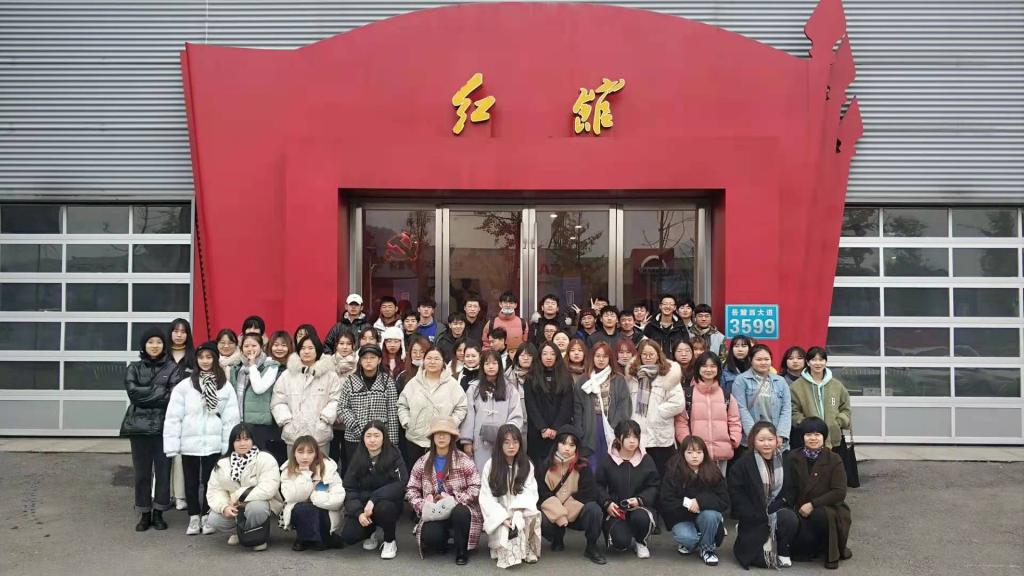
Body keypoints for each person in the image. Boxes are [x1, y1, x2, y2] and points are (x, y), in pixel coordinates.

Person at [163, 340, 240, 536]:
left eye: (209, 357)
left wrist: (227, 446)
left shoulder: (225, 386)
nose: (205, 361)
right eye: (201, 357)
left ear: (215, 359)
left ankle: (206, 515)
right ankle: (193, 516)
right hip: (189, 443)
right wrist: (172, 445)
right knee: (190, 482)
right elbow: (173, 417)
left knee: (210, 482)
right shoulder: (185, 386)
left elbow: (231, 419)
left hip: (213, 444)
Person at [405, 416, 483, 565]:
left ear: (452, 437)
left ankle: (461, 550)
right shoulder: (422, 461)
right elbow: (411, 489)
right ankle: (443, 538)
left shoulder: (464, 460)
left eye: (445, 433)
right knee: (431, 537)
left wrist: (454, 500)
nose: (441, 437)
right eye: (437, 433)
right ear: (432, 437)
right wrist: (423, 505)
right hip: (435, 511)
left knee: (461, 513)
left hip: (459, 507)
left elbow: (476, 486)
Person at [121, 327, 176, 531]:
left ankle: (159, 512)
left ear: (164, 345)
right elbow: (133, 394)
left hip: (164, 427)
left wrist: (148, 393)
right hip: (139, 428)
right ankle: (144, 513)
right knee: (141, 473)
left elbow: (173, 396)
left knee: (163, 473)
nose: (155, 346)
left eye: (159, 342)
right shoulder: (133, 368)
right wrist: (160, 391)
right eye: (150, 342)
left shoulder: (172, 368)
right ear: (144, 345)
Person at [728, 422, 798, 569]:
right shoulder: (743, 464)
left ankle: (783, 549)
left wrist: (778, 504)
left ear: (777, 440)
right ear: (753, 440)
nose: (766, 444)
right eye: (761, 440)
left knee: (789, 518)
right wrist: (755, 512)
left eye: (770, 439)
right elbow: (736, 493)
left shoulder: (785, 460)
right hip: (753, 515)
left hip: (777, 509)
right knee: (762, 561)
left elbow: (791, 489)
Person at [786, 417, 852, 569]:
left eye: (817, 434)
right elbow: (788, 486)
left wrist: (812, 504)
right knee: (800, 552)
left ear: (824, 437)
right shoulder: (792, 457)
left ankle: (831, 553)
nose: (813, 438)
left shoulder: (834, 459)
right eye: (808, 434)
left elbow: (839, 492)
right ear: (802, 437)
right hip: (799, 507)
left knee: (821, 514)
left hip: (830, 507)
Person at [205, 423, 282, 551]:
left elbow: (268, 488)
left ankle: (257, 537)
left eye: (246, 439)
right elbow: (215, 491)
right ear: (232, 443)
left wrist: (238, 496)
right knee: (214, 519)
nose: (242, 443)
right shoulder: (222, 463)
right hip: (234, 505)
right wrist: (224, 507)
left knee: (256, 508)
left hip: (260, 503)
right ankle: (240, 533)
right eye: (238, 440)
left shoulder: (265, 458)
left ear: (253, 440)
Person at [536, 425, 606, 565]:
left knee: (594, 510)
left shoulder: (583, 466)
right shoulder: (545, 466)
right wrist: (559, 513)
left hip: (576, 513)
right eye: (563, 443)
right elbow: (542, 494)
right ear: (556, 444)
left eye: (571, 445)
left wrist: (565, 510)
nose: (567, 448)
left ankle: (591, 546)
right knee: (538, 517)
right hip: (553, 513)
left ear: (576, 448)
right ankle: (557, 538)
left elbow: (589, 493)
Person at [341, 420, 407, 558]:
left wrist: (374, 498)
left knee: (385, 508)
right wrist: (358, 512)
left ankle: (390, 541)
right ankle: (370, 532)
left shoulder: (394, 454)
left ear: (384, 437)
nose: (372, 440)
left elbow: (401, 483)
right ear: (363, 438)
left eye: (377, 436)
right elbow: (349, 488)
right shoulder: (358, 456)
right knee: (349, 536)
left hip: (387, 503)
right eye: (368, 436)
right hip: (363, 505)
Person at [595, 420, 660, 559]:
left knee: (641, 518)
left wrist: (640, 500)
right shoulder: (608, 460)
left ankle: (640, 541)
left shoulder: (646, 460)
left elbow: (654, 486)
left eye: (636, 437)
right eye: (628, 436)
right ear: (618, 438)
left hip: (639, 507)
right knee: (620, 544)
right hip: (616, 510)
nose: (632, 441)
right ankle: (624, 534)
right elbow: (598, 485)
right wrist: (607, 503)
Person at [479, 425, 542, 568]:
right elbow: (486, 497)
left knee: (531, 514)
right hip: (500, 512)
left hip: (520, 509)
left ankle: (527, 548)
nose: (511, 446)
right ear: (500, 444)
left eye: (515, 442)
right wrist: (502, 518)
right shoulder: (491, 465)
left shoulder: (526, 465)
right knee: (505, 541)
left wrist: (518, 511)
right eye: (506, 442)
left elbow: (530, 491)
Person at [661, 435, 729, 566]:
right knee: (687, 538)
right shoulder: (673, 471)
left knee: (711, 515)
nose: (694, 456)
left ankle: (707, 549)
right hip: (682, 517)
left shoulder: (713, 471)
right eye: (690, 452)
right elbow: (666, 500)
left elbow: (724, 499)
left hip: (705, 515)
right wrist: (688, 504)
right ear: (683, 453)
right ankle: (699, 541)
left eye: (699, 452)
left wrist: (700, 502)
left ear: (704, 453)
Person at [270, 331, 343, 454]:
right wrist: (287, 421)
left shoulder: (330, 375)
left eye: (310, 348)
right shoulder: (287, 375)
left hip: (319, 435)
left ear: (317, 350)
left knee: (320, 465)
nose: (306, 351)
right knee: (294, 466)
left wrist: (325, 419)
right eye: (303, 348)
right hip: (294, 435)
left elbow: (336, 400)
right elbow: (277, 401)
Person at [398, 347, 469, 467]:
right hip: (415, 440)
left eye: (436, 359)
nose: (432, 362)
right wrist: (407, 421)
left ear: (443, 362)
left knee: (440, 474)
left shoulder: (452, 385)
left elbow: (461, 407)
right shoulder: (413, 383)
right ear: (424, 360)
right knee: (416, 474)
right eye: (429, 358)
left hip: (442, 440)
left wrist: (450, 424)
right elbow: (402, 404)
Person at [674, 352, 742, 475]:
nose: (708, 370)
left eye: (713, 366)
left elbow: (734, 421)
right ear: (698, 368)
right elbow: (681, 422)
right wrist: (687, 443)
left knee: (719, 483)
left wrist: (733, 440)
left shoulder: (726, 396)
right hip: (695, 453)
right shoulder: (687, 395)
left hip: (721, 453)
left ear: (718, 369)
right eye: (704, 366)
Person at [628, 340, 685, 477]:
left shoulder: (669, 375)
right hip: (638, 435)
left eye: (651, 354)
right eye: (644, 354)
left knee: (663, 475)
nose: (648, 357)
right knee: (641, 476)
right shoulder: (632, 376)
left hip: (660, 436)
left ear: (658, 355)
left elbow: (678, 403)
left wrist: (657, 413)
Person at [280, 434, 345, 551]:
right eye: (300, 452)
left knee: (314, 508)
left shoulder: (328, 467)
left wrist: (314, 497)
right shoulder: (287, 470)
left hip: (325, 512)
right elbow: (290, 496)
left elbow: (338, 498)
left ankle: (317, 538)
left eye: (310, 452)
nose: (305, 457)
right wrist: (305, 475)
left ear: (316, 453)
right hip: (300, 511)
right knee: (302, 508)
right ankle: (307, 538)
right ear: (294, 453)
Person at [460, 351, 524, 470]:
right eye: (487, 363)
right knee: (481, 471)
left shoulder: (510, 389)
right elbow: (469, 415)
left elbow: (516, 415)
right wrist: (467, 441)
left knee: (502, 471)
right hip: (479, 441)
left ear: (500, 365)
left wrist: (507, 435)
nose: (491, 367)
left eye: (494, 363)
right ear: (482, 366)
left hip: (503, 440)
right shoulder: (474, 388)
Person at [574, 341, 632, 470]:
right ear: (592, 357)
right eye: (598, 356)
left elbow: (623, 406)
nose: (601, 360)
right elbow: (577, 409)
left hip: (612, 425)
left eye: (605, 356)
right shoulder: (583, 380)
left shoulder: (618, 379)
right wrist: (580, 431)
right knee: (591, 465)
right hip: (590, 425)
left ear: (610, 358)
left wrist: (616, 427)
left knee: (611, 464)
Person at [338, 344, 400, 458]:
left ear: (379, 360)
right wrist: (355, 427)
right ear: (360, 361)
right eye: (365, 358)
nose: (368, 361)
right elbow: (342, 407)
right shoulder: (350, 381)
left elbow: (392, 413)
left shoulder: (387, 382)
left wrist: (392, 443)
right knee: (355, 468)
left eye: (372, 358)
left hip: (379, 438)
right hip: (354, 438)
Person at [233, 333, 285, 462]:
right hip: (241, 422)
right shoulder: (238, 367)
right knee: (244, 461)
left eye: (254, 345)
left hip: (260, 424)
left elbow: (259, 388)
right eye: (246, 346)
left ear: (261, 347)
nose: (250, 349)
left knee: (261, 460)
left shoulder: (271, 366)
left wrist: (252, 365)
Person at [790, 347, 852, 452]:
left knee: (834, 462)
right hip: (809, 439)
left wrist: (837, 422)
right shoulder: (796, 386)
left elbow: (846, 408)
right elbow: (793, 411)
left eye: (821, 360)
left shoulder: (836, 385)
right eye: (814, 360)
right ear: (807, 362)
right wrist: (806, 424)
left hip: (833, 439)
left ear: (825, 362)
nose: (817, 363)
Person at [524, 341, 576, 464]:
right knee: (537, 465)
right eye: (545, 354)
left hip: (559, 431)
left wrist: (555, 428)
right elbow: (530, 405)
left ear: (557, 356)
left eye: (552, 354)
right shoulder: (531, 377)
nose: (549, 357)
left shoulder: (565, 377)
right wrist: (542, 428)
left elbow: (567, 405)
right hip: (537, 431)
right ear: (539, 356)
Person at [733, 344, 793, 451]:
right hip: (750, 440)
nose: (763, 362)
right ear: (750, 360)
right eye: (759, 359)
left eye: (766, 359)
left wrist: (780, 435)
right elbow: (741, 408)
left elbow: (786, 409)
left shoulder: (780, 381)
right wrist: (754, 435)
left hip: (776, 439)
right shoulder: (741, 380)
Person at [167, 319, 196, 511]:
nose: (179, 335)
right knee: (164, 455)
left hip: (186, 413)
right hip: (163, 412)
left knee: (179, 455)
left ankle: (180, 496)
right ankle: (163, 494)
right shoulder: (163, 355)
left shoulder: (193, 357)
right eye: (176, 331)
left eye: (183, 331)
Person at [262, 330, 293, 464]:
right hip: (266, 417)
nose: (279, 348)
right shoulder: (263, 366)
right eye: (276, 345)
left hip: (286, 417)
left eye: (283, 345)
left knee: (283, 458)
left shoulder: (294, 369)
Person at [506, 342, 537, 434]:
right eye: (522, 355)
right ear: (517, 357)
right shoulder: (507, 376)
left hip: (536, 423)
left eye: (529, 355)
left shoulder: (540, 376)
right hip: (515, 422)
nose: (526, 358)